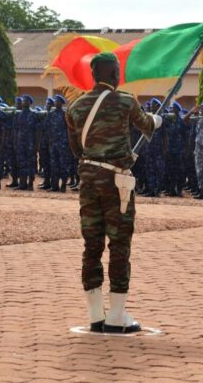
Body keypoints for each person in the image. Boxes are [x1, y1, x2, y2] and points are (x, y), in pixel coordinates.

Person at [65, 52, 162, 334]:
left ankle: (96, 314)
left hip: (88, 179)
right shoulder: (125, 101)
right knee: (119, 245)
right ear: (113, 74)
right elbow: (145, 125)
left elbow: (76, 150)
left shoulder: (75, 106)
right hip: (116, 181)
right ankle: (117, 315)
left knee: (91, 245)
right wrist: (157, 121)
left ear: (94, 75)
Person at [48, 95, 71, 192]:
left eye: (58, 101)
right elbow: (49, 129)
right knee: (54, 164)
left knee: (63, 165)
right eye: (56, 101)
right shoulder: (51, 114)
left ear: (61, 103)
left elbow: (69, 129)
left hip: (63, 143)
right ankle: (54, 186)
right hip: (53, 143)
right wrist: (50, 141)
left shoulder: (65, 114)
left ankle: (63, 185)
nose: (56, 103)